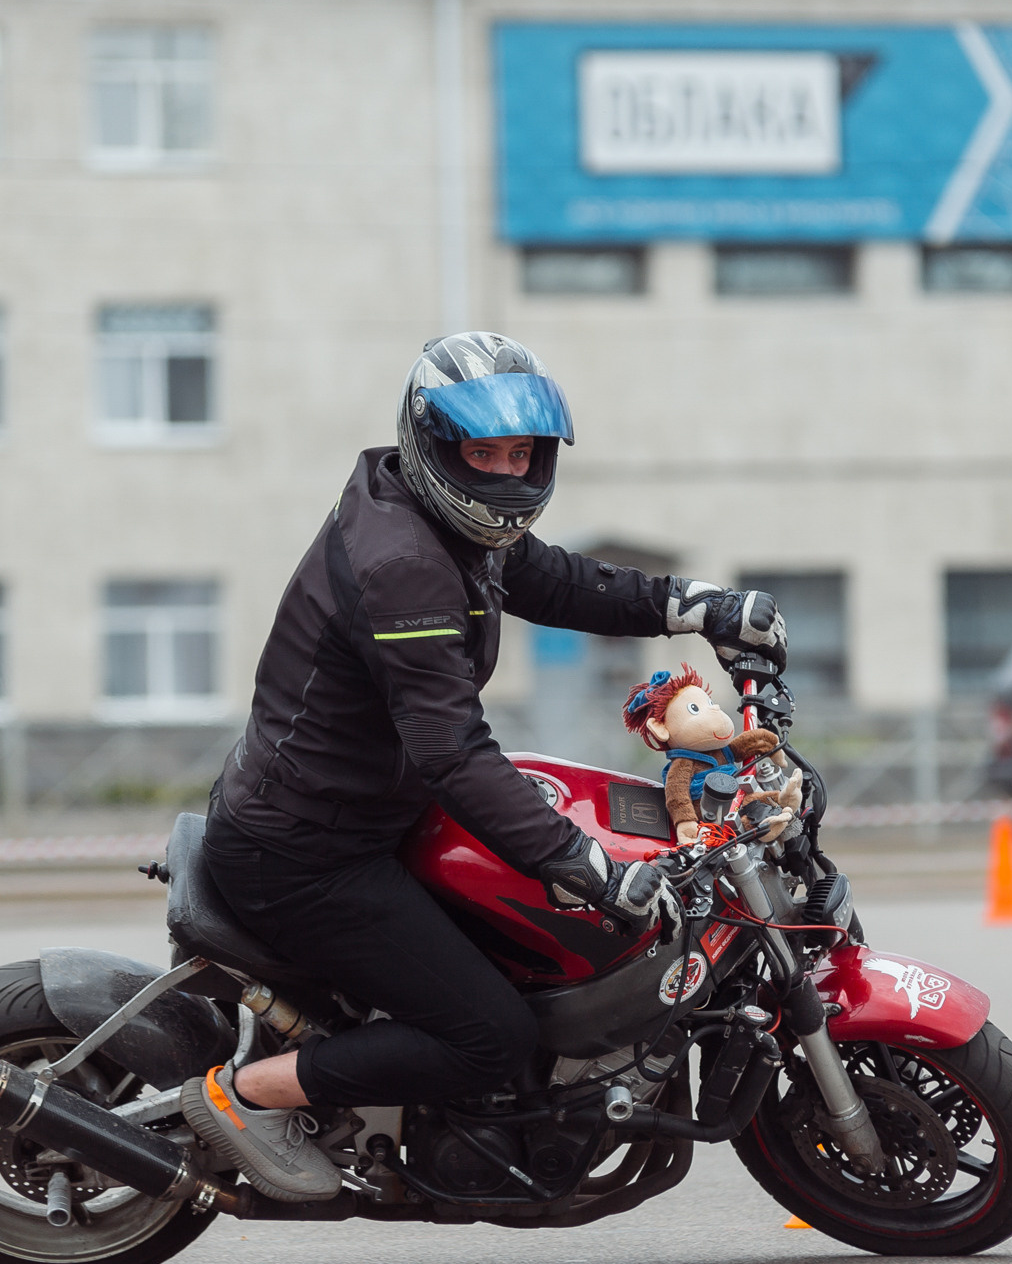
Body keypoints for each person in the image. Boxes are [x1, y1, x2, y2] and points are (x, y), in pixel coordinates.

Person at [190, 331, 788, 1201]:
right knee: (487, 1034)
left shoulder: (442, 522)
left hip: (360, 812)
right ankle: (246, 1098)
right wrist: (582, 864)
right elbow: (450, 750)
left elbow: (558, 582)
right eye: (484, 453)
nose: (507, 476)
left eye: (521, 455)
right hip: (307, 852)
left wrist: (696, 605)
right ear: (435, 446)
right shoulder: (404, 564)